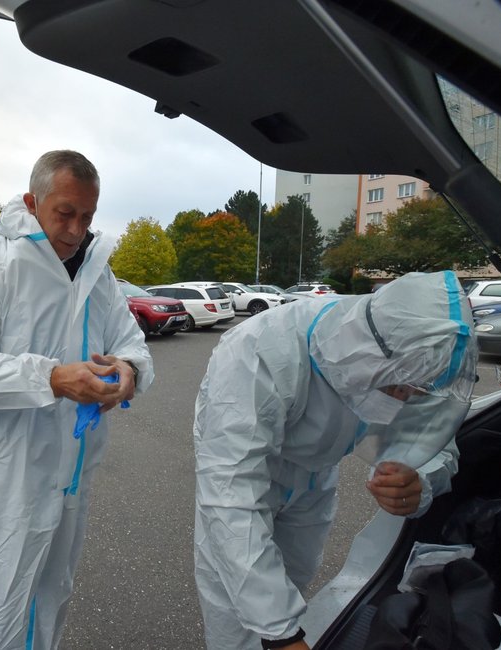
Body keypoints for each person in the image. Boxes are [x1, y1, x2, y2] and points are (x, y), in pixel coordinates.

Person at [0, 150, 154, 649]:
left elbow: (131, 344)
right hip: (3, 480)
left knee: (52, 596)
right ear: (33, 202)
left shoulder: (98, 276)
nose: (77, 230)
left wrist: (130, 370)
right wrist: (50, 378)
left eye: (88, 216)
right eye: (65, 213)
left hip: (71, 477)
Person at [193, 271, 477, 650]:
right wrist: (282, 635)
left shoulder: (412, 353)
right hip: (246, 472)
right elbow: (230, 496)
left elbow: (435, 434)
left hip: (315, 479)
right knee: (234, 606)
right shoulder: (259, 352)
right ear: (370, 355)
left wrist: (420, 477)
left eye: (416, 389)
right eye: (398, 386)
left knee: (293, 578)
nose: (405, 397)